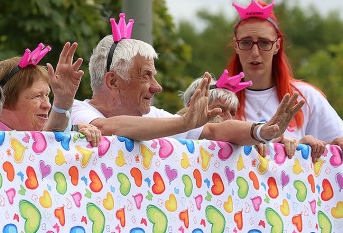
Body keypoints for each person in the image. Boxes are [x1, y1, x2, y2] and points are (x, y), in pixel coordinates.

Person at [70, 14, 304, 147]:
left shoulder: (153, 117)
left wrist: (262, 131)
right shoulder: (77, 111)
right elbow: (106, 128)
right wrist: (184, 124)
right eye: (146, 76)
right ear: (113, 82)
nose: (157, 87)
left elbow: (214, 131)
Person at [226, 0, 343, 161]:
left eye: (264, 43)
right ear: (236, 46)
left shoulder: (305, 97)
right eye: (246, 42)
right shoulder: (220, 99)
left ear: (277, 46)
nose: (254, 52)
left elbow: (335, 148)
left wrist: (306, 147)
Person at [0, 42, 97, 137]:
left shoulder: (37, 137)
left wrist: (64, 99)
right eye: (37, 96)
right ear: (3, 101)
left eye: (47, 95)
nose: (47, 105)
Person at [178, 70, 298, 158]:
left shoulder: (245, 139)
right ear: (193, 108)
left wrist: (295, 146)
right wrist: (257, 137)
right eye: (220, 110)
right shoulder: (171, 131)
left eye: (232, 112)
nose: (229, 118)